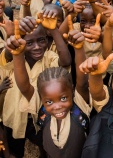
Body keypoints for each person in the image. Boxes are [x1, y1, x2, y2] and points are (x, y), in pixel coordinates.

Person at [12, 22, 90, 157]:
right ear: (41, 98)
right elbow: (24, 87)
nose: (57, 106)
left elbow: (82, 84)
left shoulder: (80, 105)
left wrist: (79, 49)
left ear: (72, 91)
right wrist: (18, 56)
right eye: (49, 102)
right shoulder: (40, 108)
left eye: (64, 98)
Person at [2, 8, 71, 157]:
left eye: (41, 40)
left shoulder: (49, 57)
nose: (37, 46)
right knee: (16, 142)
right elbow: (8, 53)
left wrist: (53, 31)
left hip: (41, 114)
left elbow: (65, 61)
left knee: (42, 141)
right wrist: (13, 37)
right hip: (16, 112)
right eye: (29, 43)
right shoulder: (14, 57)